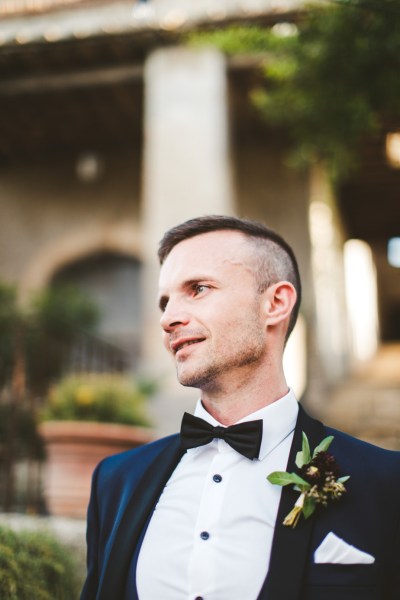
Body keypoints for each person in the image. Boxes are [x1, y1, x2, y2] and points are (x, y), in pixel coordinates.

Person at [81, 215, 400, 600]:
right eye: (165, 302)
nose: (167, 319)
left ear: (275, 304)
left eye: (198, 289)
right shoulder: (115, 482)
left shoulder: (386, 483)